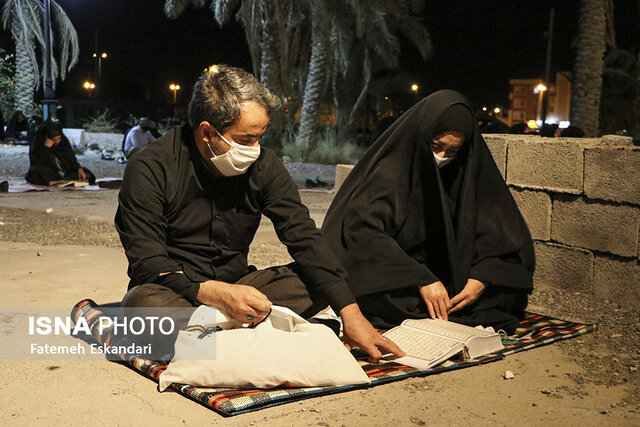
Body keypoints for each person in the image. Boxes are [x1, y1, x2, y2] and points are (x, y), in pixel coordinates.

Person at [115, 64, 403, 361]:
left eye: (259, 137)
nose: (255, 148)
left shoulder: (264, 165)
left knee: (330, 271)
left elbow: (302, 235)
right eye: (245, 140)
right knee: (140, 306)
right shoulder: (150, 168)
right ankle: (251, 330)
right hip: (176, 293)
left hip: (242, 287)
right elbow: (148, 263)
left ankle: (216, 336)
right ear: (206, 132)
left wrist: (351, 315)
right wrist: (219, 296)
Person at [322, 90, 535, 334]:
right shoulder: (391, 171)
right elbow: (364, 234)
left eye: (452, 151)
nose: (442, 157)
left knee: (505, 294)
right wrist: (420, 278)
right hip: (400, 273)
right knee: (386, 301)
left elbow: (503, 239)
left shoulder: (465, 172)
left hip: (452, 278)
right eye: (436, 146)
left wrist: (481, 278)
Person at [25, 121, 96, 186]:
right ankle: (57, 182)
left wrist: (78, 168)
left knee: (85, 173)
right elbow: (36, 163)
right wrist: (47, 148)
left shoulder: (63, 141)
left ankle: (62, 181)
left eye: (59, 139)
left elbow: (71, 159)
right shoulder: (38, 142)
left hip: (65, 172)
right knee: (35, 172)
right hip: (50, 173)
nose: (57, 142)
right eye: (54, 140)